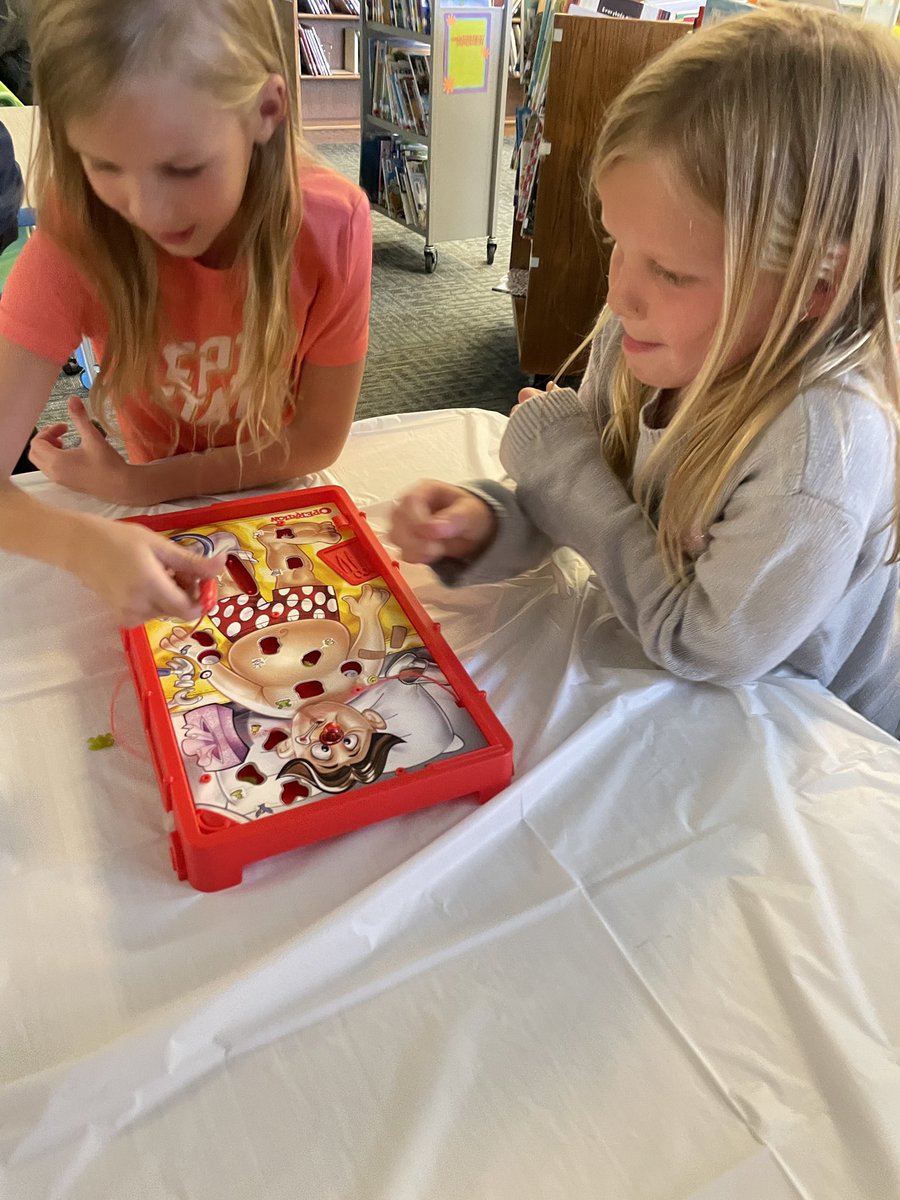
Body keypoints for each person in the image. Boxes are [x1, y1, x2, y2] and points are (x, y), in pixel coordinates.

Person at [391, 6, 900, 736]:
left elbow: (705, 643)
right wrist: (485, 522)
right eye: (616, 243)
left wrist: (560, 463)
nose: (618, 295)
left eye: (670, 271)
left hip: (816, 741)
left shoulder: (821, 445)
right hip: (693, 702)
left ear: (816, 288)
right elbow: (585, 500)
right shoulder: (646, 333)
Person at [0, 0, 372, 627]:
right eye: (104, 165)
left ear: (266, 111)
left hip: (279, 500)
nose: (148, 211)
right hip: (164, 511)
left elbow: (316, 439)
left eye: (183, 168)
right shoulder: (78, 238)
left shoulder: (333, 224)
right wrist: (82, 544)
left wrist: (137, 486)